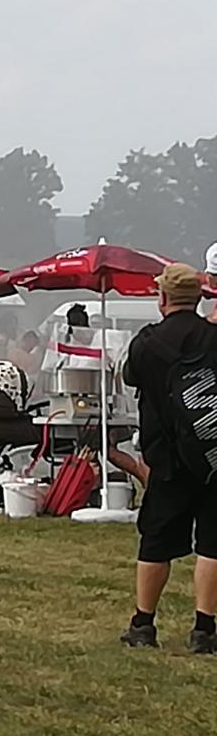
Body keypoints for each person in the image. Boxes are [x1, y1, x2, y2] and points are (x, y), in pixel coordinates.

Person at [119, 264, 217, 655]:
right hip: (212, 458)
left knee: (156, 544)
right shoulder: (214, 337)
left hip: (165, 462)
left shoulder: (146, 343)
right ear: (200, 296)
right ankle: (204, 630)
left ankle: (144, 624)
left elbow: (130, 377)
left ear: (161, 298)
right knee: (212, 544)